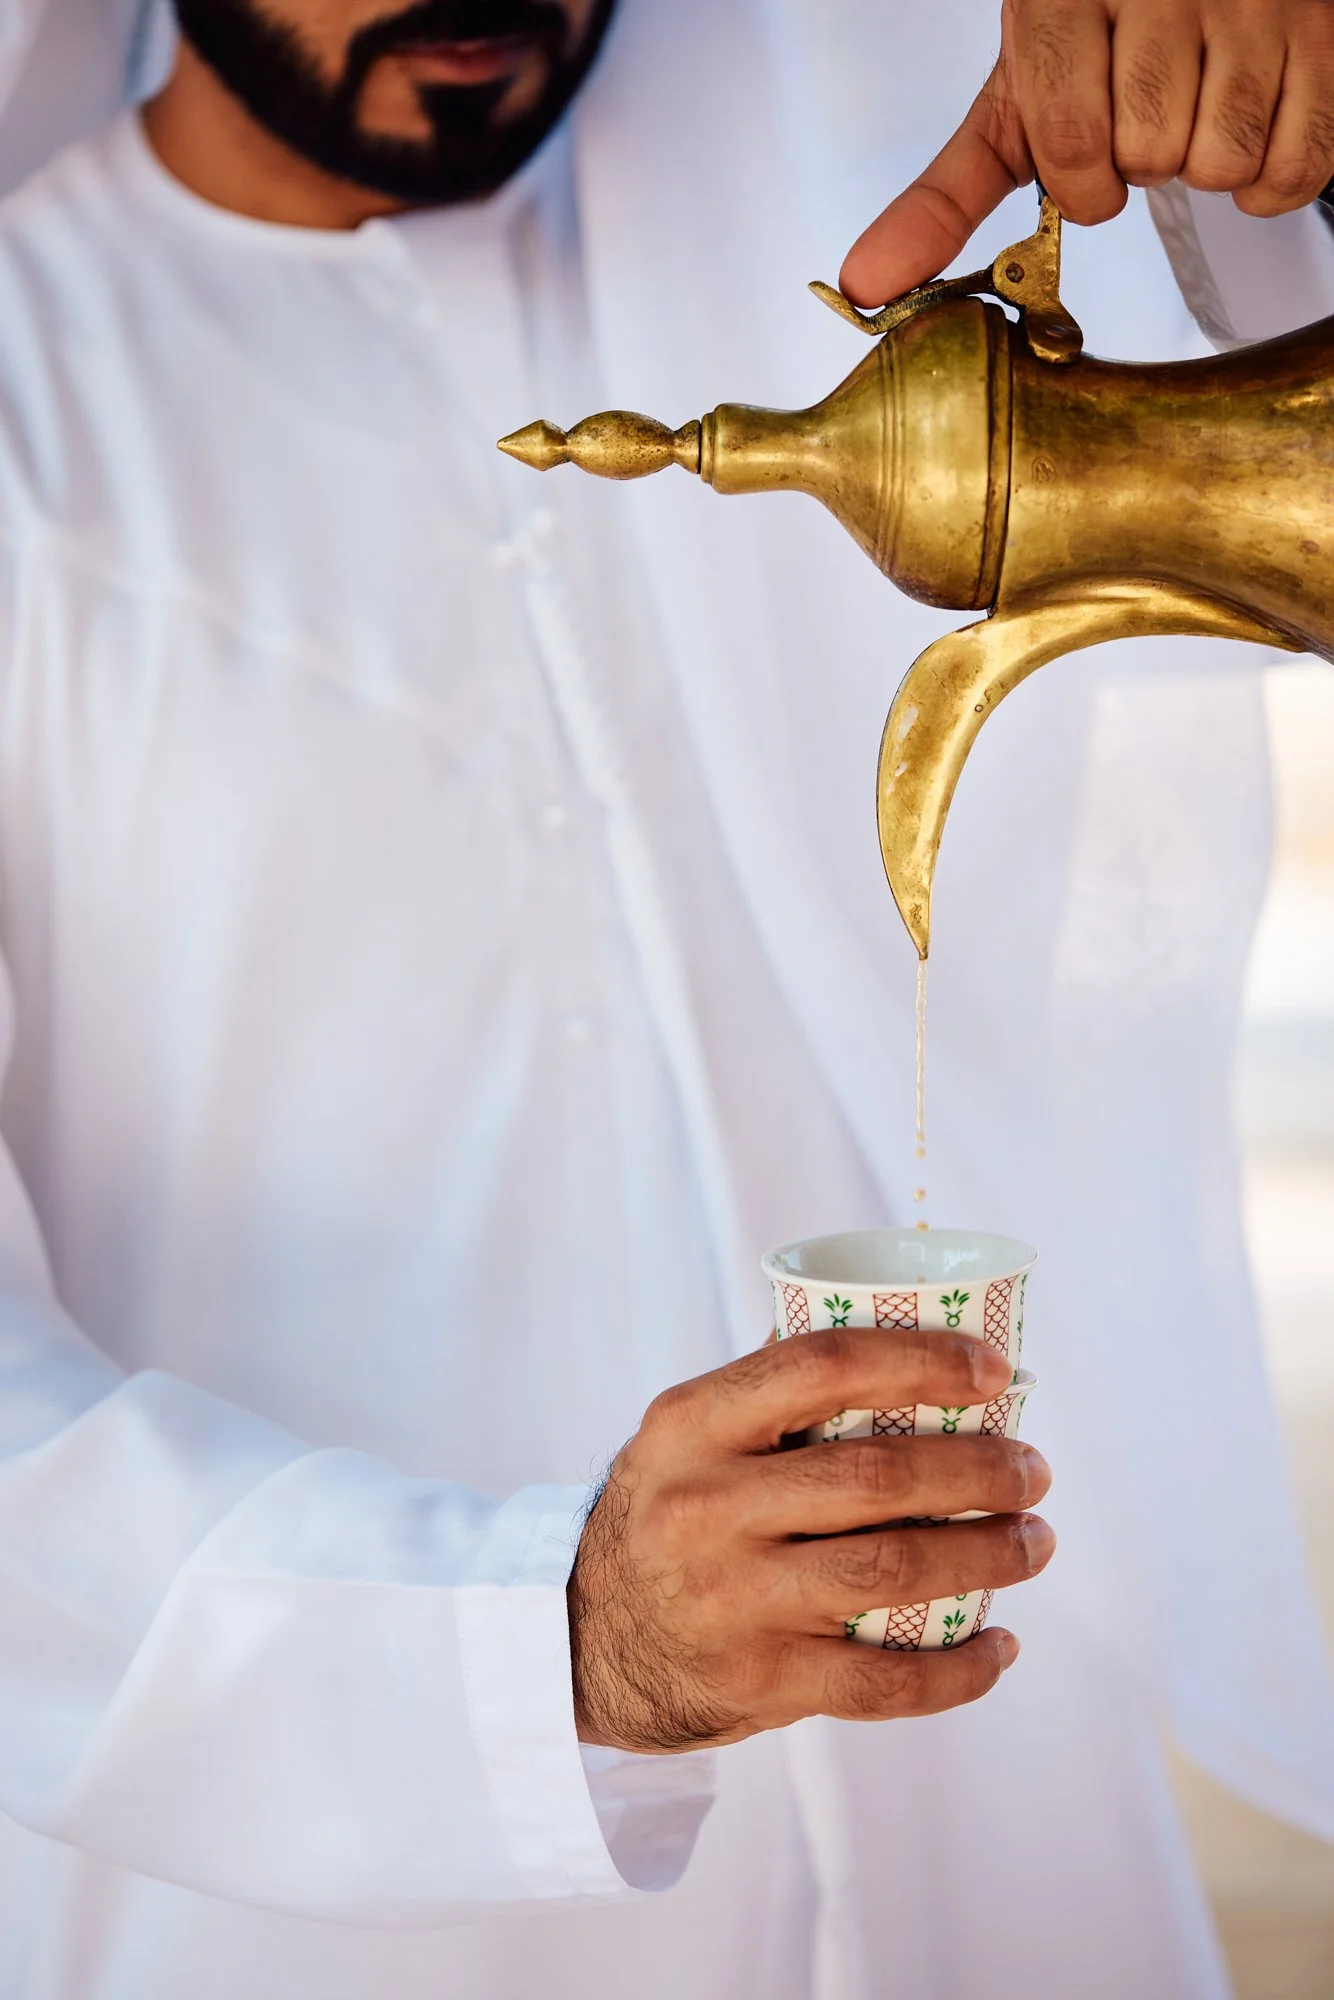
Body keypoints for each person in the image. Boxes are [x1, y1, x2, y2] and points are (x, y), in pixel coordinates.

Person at [0, 1, 1327, 1996]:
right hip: (311, 1925)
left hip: (1002, 1849)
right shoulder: (31, 391)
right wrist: (547, 1637)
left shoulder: (815, 196)